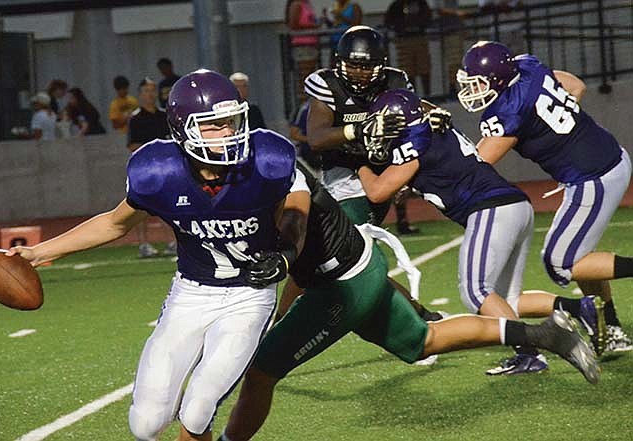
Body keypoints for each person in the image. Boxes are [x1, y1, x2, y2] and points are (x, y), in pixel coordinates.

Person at [7, 69, 299, 441]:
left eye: (231, 121)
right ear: (182, 129)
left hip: (248, 297)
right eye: (213, 125)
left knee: (197, 408)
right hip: (192, 293)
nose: (228, 132)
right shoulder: (158, 172)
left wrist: (284, 251)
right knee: (145, 423)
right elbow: (114, 224)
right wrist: (37, 252)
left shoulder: (268, 161)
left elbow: (292, 215)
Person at [215, 164, 599, 441]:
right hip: (360, 269)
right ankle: (547, 334)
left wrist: (279, 312)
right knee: (423, 341)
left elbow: (293, 246)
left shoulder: (271, 180)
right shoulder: (266, 169)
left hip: (339, 286)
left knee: (261, 373)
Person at [357, 88, 604, 374]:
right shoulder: (434, 128)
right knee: (507, 300)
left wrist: (359, 163)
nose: (377, 132)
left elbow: (376, 192)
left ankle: (530, 351)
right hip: (513, 205)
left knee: (475, 293)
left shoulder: (415, 142)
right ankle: (578, 308)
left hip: (490, 208)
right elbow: (440, 171)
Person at [456, 41, 633, 353]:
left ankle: (611, 324)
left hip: (594, 176)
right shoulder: (527, 66)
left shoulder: (507, 110)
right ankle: (612, 327)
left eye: (478, 82)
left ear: (497, 79)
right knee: (579, 255)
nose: (472, 89)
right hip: (605, 160)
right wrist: (564, 137)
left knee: (561, 262)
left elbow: (477, 164)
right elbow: (575, 86)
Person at [298, 25, 444, 322]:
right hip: (340, 174)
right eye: (353, 65)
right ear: (339, 62)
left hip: (375, 173)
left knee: (350, 255)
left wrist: (431, 111)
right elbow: (316, 137)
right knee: (326, 257)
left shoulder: (394, 81)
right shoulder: (327, 84)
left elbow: (414, 110)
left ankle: (417, 317)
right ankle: (420, 314)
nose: (359, 73)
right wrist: (359, 129)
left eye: (367, 66)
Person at [128, 77, 175, 257]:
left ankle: (171, 241)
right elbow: (131, 145)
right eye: (146, 91)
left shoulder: (164, 115)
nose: (150, 94)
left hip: (166, 167)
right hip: (145, 168)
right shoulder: (136, 118)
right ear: (140, 94)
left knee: (168, 205)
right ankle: (144, 244)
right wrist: (153, 150)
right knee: (140, 206)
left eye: (153, 90)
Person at [384, 0, 432, 95]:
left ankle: (427, 94)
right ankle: (412, 95)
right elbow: (388, 21)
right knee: (407, 69)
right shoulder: (396, 5)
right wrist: (399, 28)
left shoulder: (421, 3)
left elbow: (428, 18)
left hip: (419, 37)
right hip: (403, 40)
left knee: (424, 67)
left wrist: (419, 25)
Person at [286, 0, 320, 101]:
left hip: (311, 45)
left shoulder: (307, 4)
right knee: (304, 78)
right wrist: (313, 27)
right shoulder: (296, 4)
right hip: (302, 45)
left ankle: (310, 101)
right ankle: (303, 104)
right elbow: (293, 25)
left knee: (311, 77)